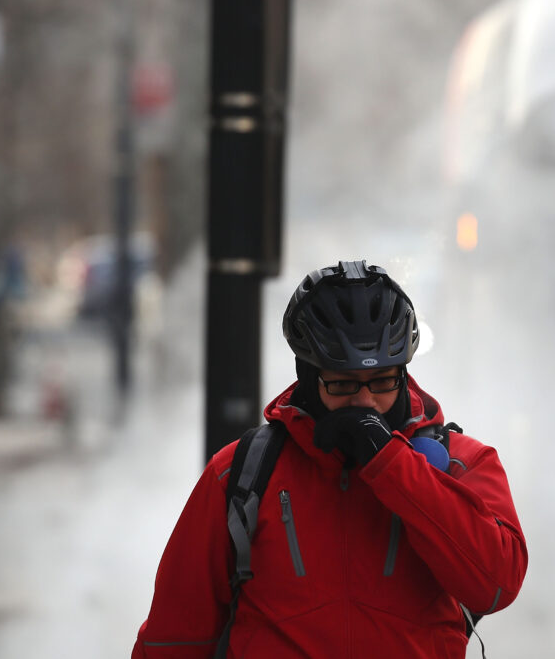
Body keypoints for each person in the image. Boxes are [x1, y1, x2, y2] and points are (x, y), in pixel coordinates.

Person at [132, 260, 528, 658]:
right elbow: (175, 636)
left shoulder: (460, 464)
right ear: (306, 377)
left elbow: (495, 584)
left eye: (382, 382)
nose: (364, 401)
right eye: (341, 384)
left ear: (403, 374)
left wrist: (393, 465)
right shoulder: (243, 472)